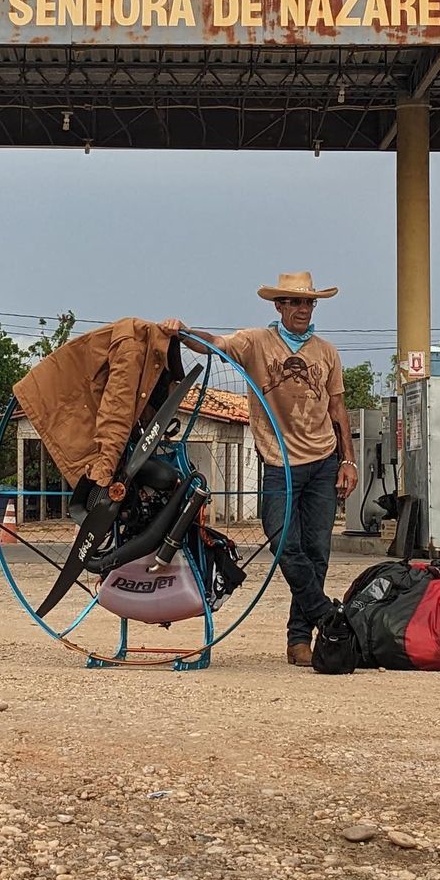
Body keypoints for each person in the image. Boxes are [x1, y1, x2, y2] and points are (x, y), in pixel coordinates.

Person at [161, 271, 357, 668]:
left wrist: (348, 460)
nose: (303, 309)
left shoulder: (326, 352)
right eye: (295, 303)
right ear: (279, 306)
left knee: (317, 550)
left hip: (323, 459)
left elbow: (337, 408)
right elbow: (215, 344)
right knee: (282, 539)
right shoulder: (255, 342)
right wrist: (181, 332)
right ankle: (323, 612)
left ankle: (300, 639)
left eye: (309, 303)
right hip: (279, 459)